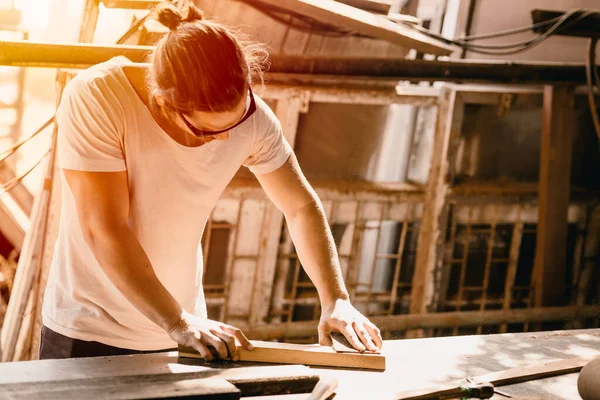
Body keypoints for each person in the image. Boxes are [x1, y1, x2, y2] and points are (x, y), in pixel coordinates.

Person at [39, 2, 382, 360]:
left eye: (236, 122)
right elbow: (104, 228)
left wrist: (336, 299)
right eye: (206, 130)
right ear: (163, 103)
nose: (223, 139)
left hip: (186, 333)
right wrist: (177, 320)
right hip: (89, 332)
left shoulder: (252, 121)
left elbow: (299, 206)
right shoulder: (98, 97)